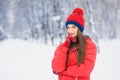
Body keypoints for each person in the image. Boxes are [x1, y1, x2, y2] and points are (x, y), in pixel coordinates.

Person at [52, 8, 96, 80]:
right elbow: (57, 68)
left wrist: (65, 71)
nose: (70, 30)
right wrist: (65, 47)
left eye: (73, 27)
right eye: (68, 27)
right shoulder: (62, 46)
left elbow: (86, 69)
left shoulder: (89, 45)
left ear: (79, 29)